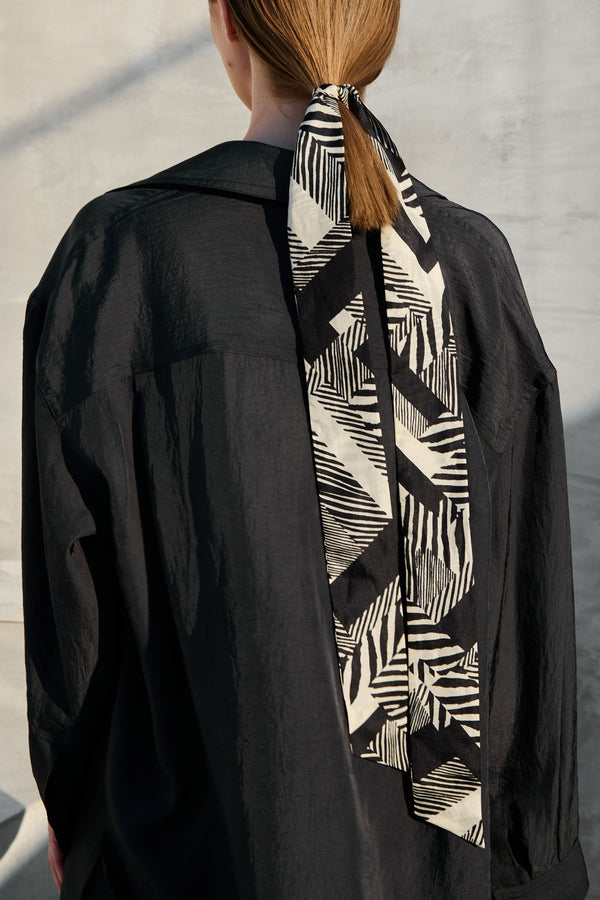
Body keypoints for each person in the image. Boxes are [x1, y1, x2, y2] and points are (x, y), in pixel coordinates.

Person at [20, 0, 590, 897]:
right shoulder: (472, 269)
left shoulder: (123, 264)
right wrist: (542, 861)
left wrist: (82, 823)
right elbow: (532, 614)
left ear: (228, 23)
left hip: (200, 855)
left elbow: (74, 627)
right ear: (381, 31)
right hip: (450, 867)